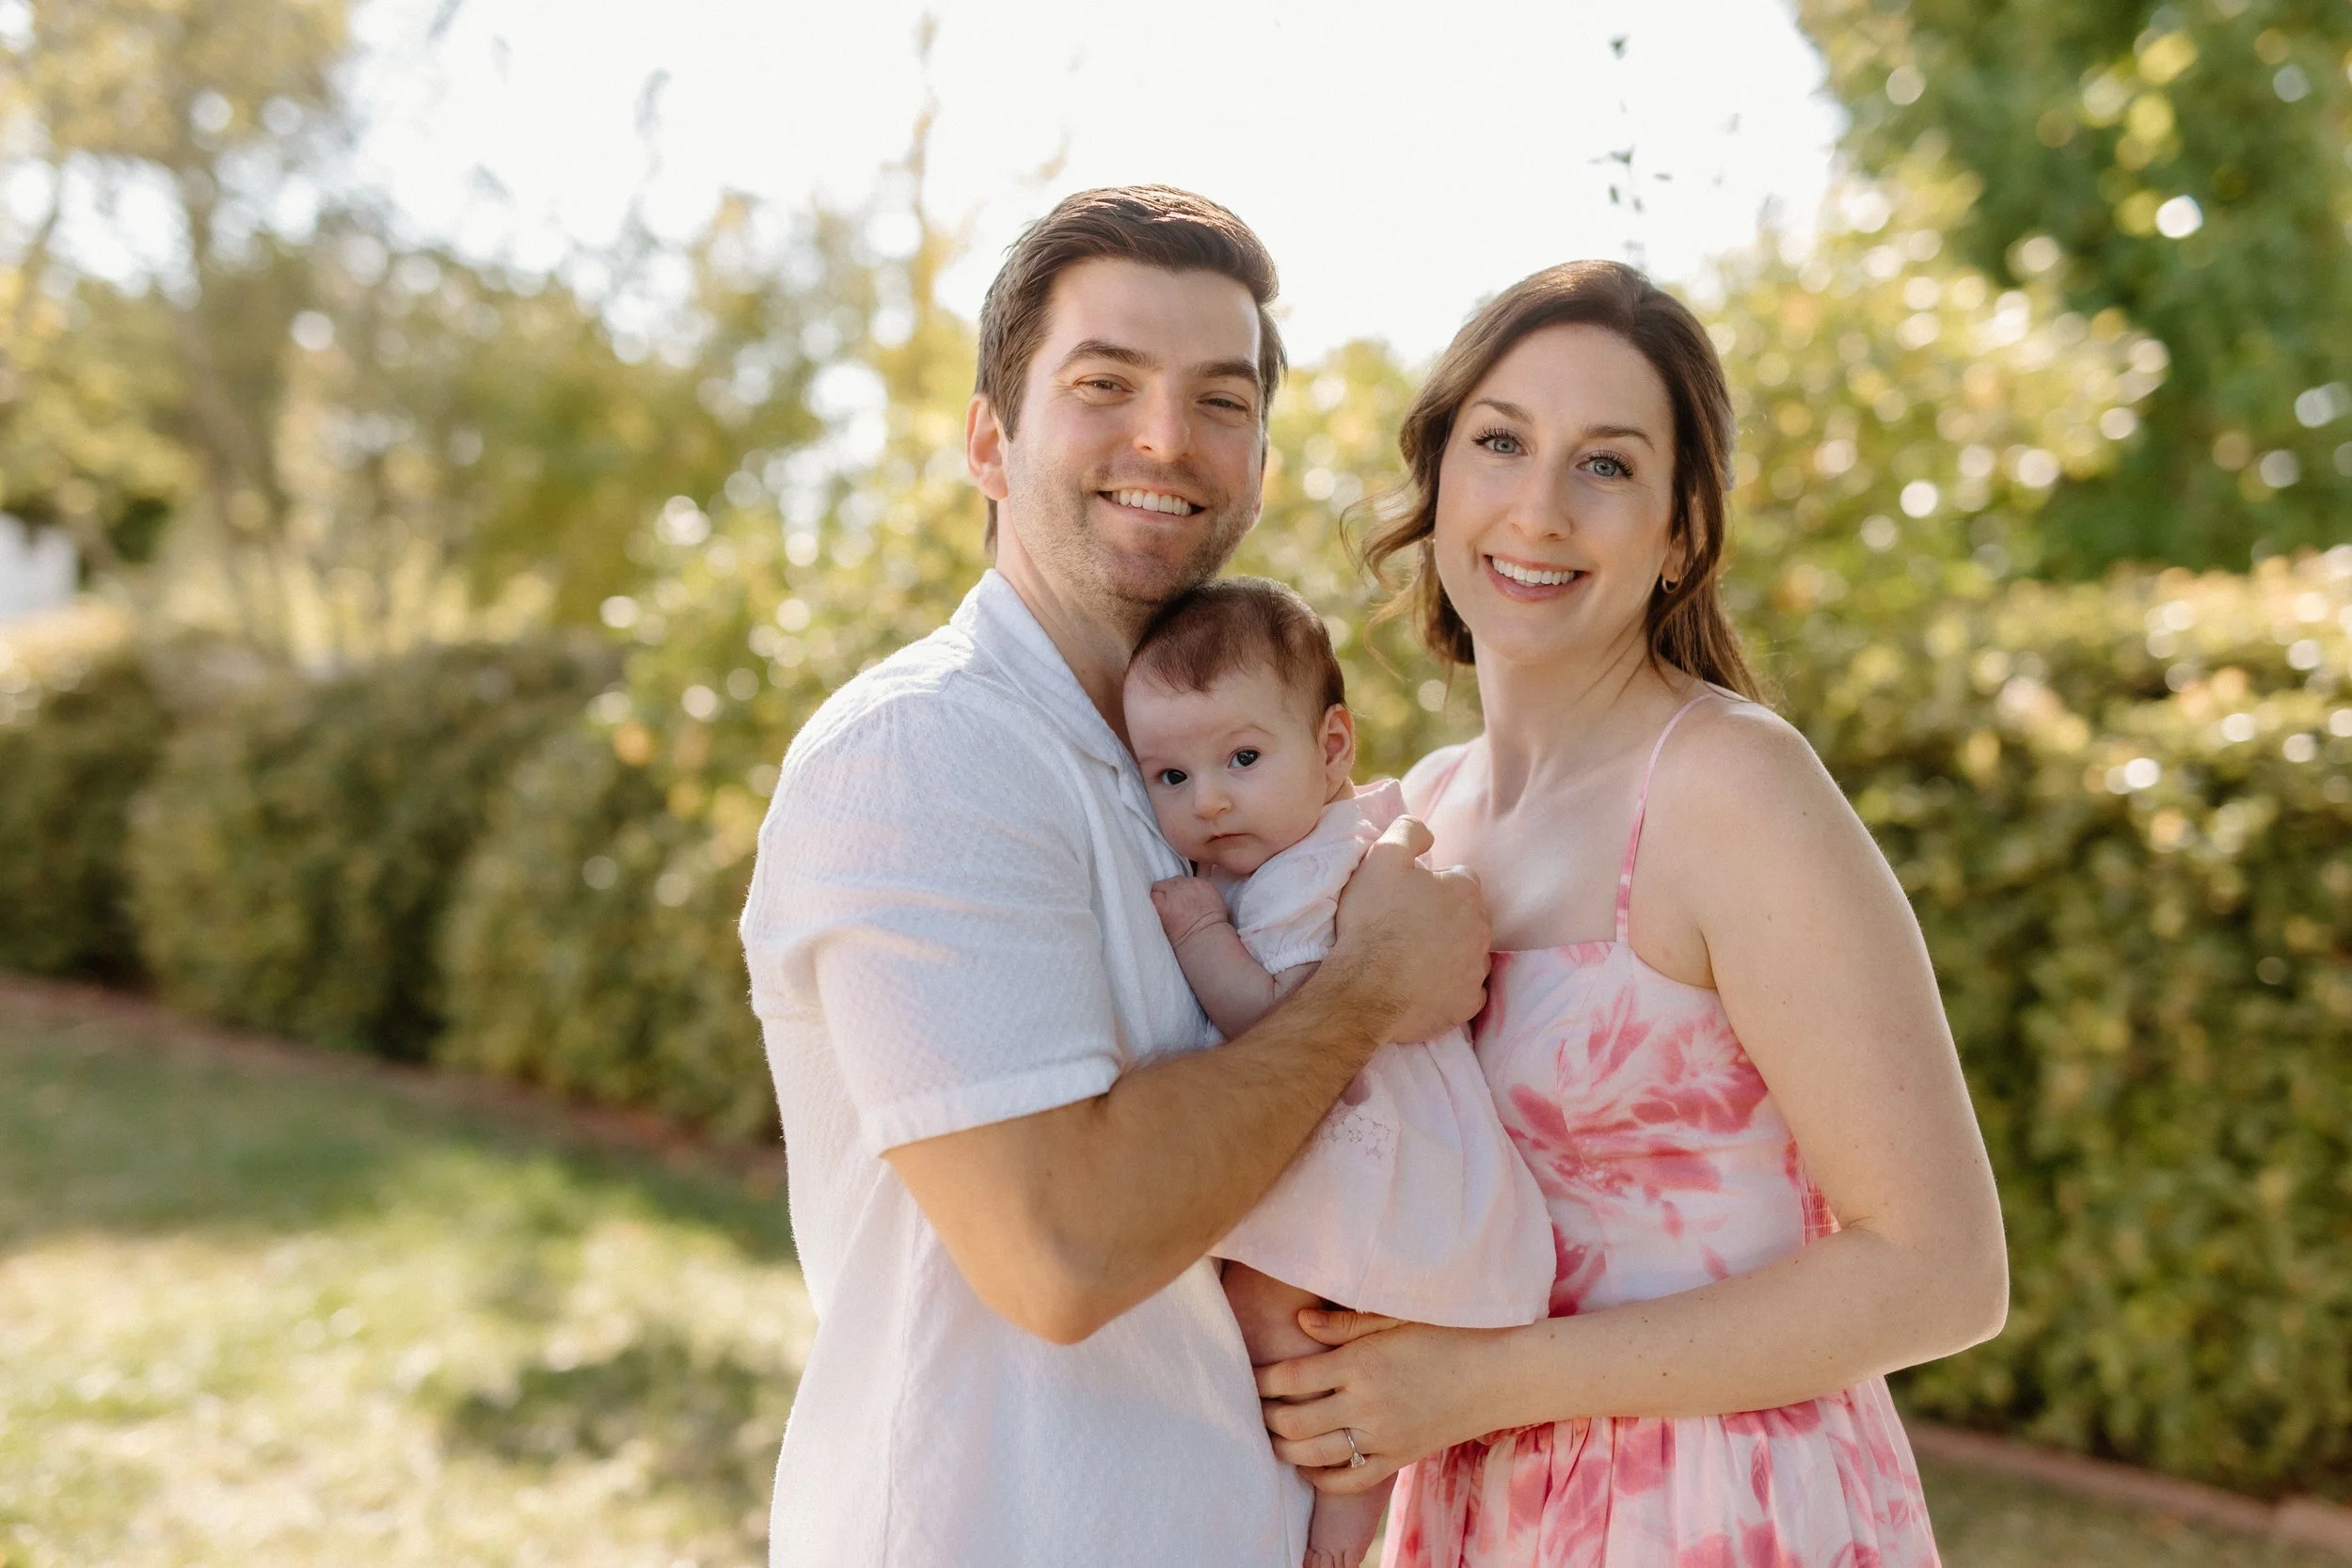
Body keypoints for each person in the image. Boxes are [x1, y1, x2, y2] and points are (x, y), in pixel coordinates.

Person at [738, 185, 1492, 1568]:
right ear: (987, 437)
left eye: (1222, 399)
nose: (1166, 438)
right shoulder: (926, 752)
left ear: (1259, 462)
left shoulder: (1204, 786)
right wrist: (1369, 987)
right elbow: (1062, 1248)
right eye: (1105, 384)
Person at [1252, 261, 2009, 1566]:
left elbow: (1942, 1267)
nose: (1538, 508)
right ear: (1438, 485)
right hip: (1471, 1511)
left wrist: (1481, 1384)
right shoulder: (1422, 813)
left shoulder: (1732, 786)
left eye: (1605, 464)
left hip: (1714, 1510)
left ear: (1678, 532)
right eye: (1500, 443)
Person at [1122, 577, 1555, 1568]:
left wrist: (1195, 929)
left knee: (1271, 1313)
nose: (1211, 797)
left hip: (1362, 1150)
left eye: (1240, 757)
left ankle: (1336, 1525)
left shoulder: (1304, 876)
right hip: (1381, 1143)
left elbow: (1278, 1020)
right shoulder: (1333, 835)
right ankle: (1344, 1506)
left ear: (1329, 748)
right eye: (1171, 776)